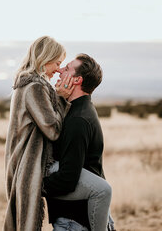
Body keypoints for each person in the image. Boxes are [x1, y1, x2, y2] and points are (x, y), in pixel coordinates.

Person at [4, 36, 74, 231]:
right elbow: (53, 130)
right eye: (58, 63)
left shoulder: (24, 84)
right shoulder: (35, 87)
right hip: (30, 165)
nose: (59, 69)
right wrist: (62, 98)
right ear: (45, 58)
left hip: (21, 163)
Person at [43, 54, 115, 231]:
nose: (60, 71)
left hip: (74, 222)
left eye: (66, 69)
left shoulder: (78, 119)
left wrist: (33, 185)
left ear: (76, 80)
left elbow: (68, 178)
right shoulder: (80, 110)